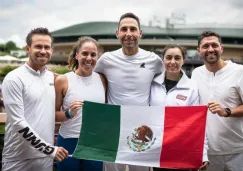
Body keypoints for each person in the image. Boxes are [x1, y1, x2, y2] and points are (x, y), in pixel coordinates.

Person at [94, 12, 163, 171]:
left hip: (142, 130)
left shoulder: (154, 60)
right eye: (124, 29)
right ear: (117, 33)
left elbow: (166, 83)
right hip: (113, 128)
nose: (129, 33)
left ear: (140, 33)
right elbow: (89, 79)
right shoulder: (106, 59)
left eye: (133, 29)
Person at [1, 27, 68, 171]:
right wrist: (49, 149)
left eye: (47, 47)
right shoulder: (14, 78)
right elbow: (18, 123)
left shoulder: (52, 77)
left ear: (52, 50)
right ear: (28, 49)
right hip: (18, 159)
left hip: (45, 159)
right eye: (38, 46)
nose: (43, 51)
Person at [150, 44, 209, 171]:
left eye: (177, 58)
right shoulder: (152, 84)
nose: (172, 62)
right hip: (157, 149)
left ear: (183, 60)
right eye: (168, 57)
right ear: (163, 60)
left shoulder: (192, 87)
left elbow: (197, 124)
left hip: (181, 149)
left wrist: (203, 153)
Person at [191, 31, 243, 171]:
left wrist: (226, 111)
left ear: (221, 48)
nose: (210, 49)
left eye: (214, 45)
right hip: (208, 152)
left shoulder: (239, 71)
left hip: (237, 150)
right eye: (205, 46)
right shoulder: (196, 74)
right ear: (199, 50)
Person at [55, 36, 106, 171]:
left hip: (94, 142)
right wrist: (68, 114)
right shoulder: (63, 80)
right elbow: (53, 115)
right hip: (68, 141)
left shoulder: (102, 79)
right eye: (84, 53)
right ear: (77, 55)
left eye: (93, 54)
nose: (89, 58)